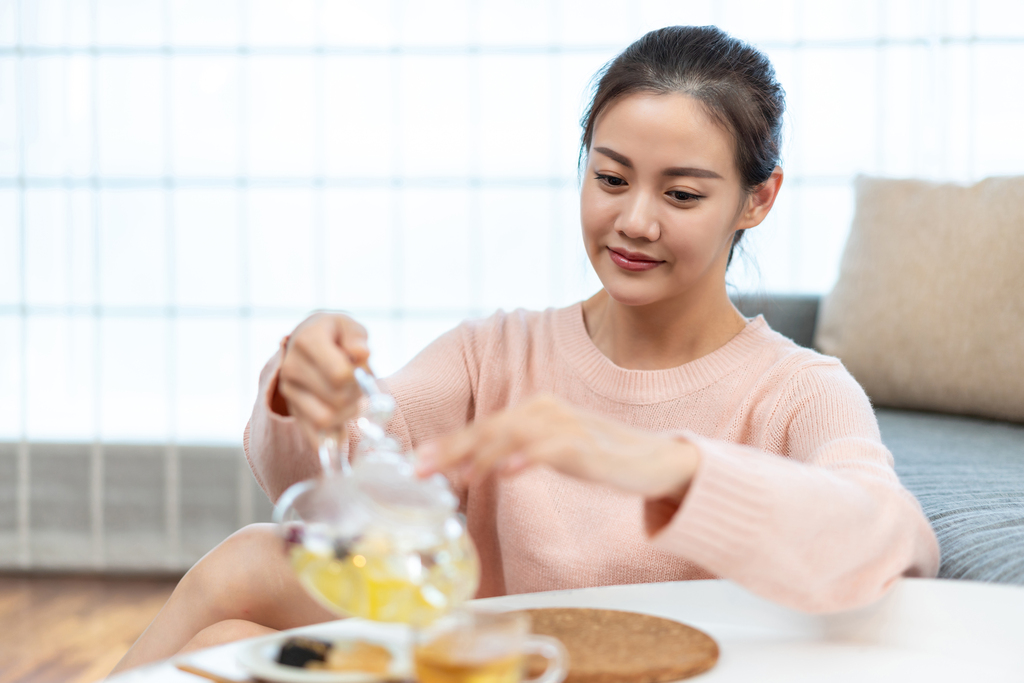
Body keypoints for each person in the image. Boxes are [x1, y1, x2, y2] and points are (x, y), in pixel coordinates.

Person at [109, 25, 939, 674]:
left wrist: (668, 468)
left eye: (680, 193)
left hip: (675, 670)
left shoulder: (799, 390)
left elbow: (888, 538)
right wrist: (311, 390)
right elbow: (331, 489)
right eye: (610, 179)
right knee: (237, 592)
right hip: (498, 662)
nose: (635, 220)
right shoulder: (496, 352)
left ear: (759, 199)